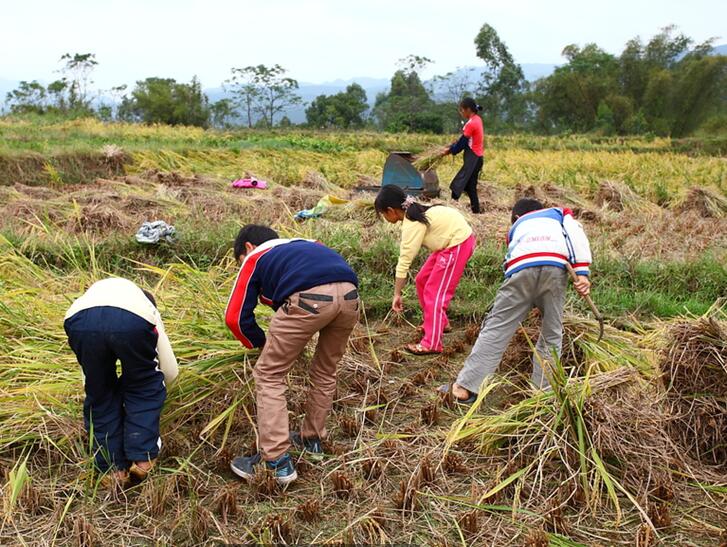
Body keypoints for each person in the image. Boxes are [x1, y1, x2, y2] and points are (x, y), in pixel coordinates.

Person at [225, 225, 359, 486]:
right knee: (325, 370)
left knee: (269, 375)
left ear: (248, 248)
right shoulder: (310, 243)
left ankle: (275, 463)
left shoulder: (255, 257)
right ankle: (312, 440)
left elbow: (235, 318)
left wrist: (260, 344)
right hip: (351, 296)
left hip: (310, 299)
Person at [440, 198, 592, 403]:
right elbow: (576, 235)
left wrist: (523, 297)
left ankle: (464, 388)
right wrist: (582, 272)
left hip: (521, 269)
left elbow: (509, 261)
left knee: (497, 327)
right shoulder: (559, 214)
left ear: (517, 218)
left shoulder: (517, 229)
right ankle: (543, 395)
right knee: (552, 333)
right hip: (555, 267)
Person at [64, 278, 178, 485]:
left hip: (78, 320)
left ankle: (112, 471)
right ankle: (142, 460)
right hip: (131, 320)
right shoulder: (146, 307)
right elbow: (169, 370)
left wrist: (96, 389)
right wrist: (158, 391)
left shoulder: (93, 296)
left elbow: (89, 379)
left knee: (101, 394)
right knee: (144, 385)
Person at [375, 185, 476, 355]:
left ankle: (432, 342)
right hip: (447, 244)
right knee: (422, 280)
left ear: (391, 211)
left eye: (383, 214)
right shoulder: (414, 213)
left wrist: (397, 294)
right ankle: (439, 323)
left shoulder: (412, 223)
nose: (385, 218)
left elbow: (404, 261)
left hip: (457, 244)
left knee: (434, 293)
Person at [443, 97, 484, 214]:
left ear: (468, 110)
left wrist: (450, 150)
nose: (461, 113)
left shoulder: (471, 124)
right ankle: (476, 211)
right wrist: (452, 147)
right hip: (477, 159)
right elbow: (464, 140)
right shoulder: (478, 119)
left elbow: (462, 143)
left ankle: (452, 208)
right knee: (470, 186)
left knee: (458, 184)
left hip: (473, 159)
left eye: (462, 110)